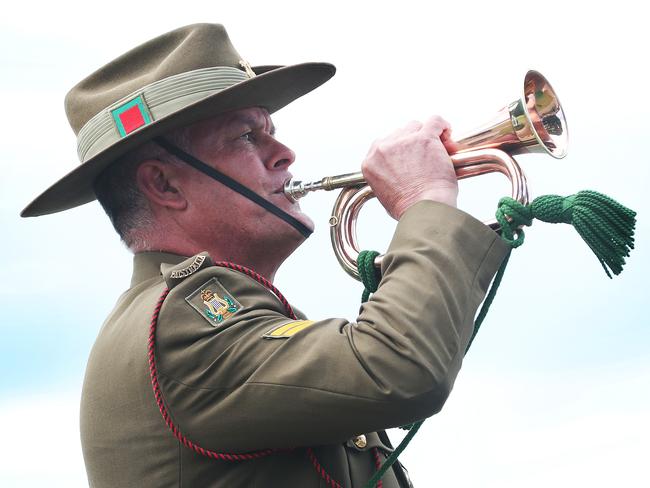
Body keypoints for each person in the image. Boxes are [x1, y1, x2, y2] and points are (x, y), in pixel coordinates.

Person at [21, 23, 509, 487]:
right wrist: (424, 202)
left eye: (270, 131)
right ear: (164, 184)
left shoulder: (227, 312)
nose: (285, 153)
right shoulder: (183, 322)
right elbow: (398, 367)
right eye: (247, 136)